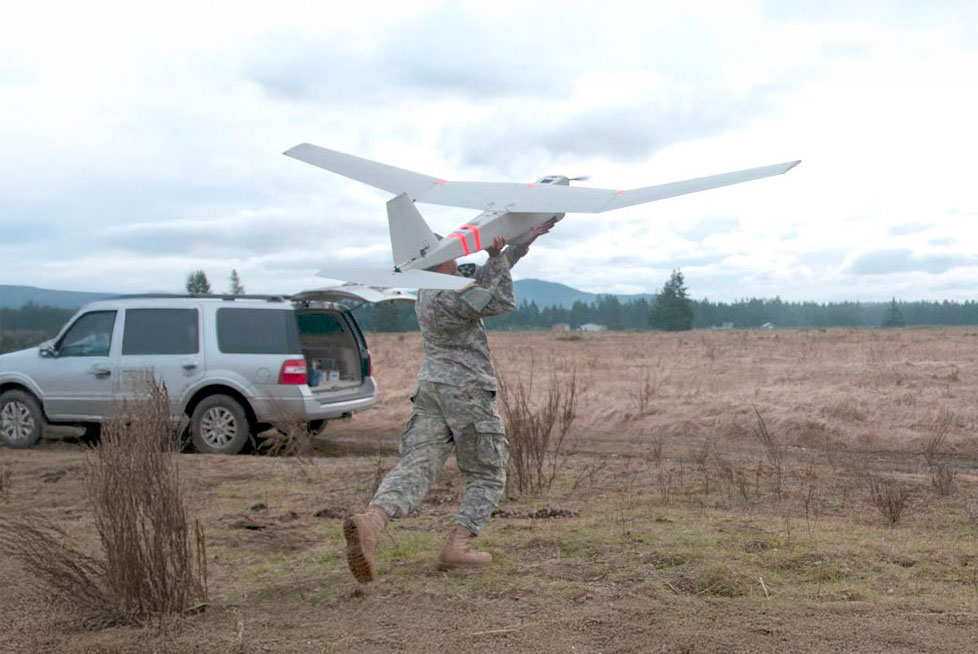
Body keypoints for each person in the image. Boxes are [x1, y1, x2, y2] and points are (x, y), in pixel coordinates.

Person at [343, 220, 555, 584]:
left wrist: (524, 239)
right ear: (440, 262)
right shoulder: (450, 296)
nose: (458, 258)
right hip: (467, 393)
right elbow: (501, 298)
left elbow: (490, 273)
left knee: (416, 466)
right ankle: (457, 545)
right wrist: (497, 259)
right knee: (488, 473)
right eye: (452, 255)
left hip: (431, 391)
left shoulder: (428, 290)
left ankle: (372, 522)